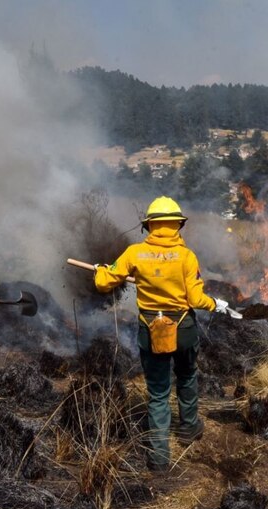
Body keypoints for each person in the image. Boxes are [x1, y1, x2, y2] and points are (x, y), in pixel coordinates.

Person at [94, 196, 230, 472]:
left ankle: (158, 457)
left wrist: (102, 271)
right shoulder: (187, 257)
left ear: (150, 226)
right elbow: (195, 298)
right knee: (187, 375)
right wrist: (215, 303)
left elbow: (104, 283)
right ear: (177, 225)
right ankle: (189, 428)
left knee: (157, 391)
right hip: (184, 328)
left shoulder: (134, 254)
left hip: (151, 328)